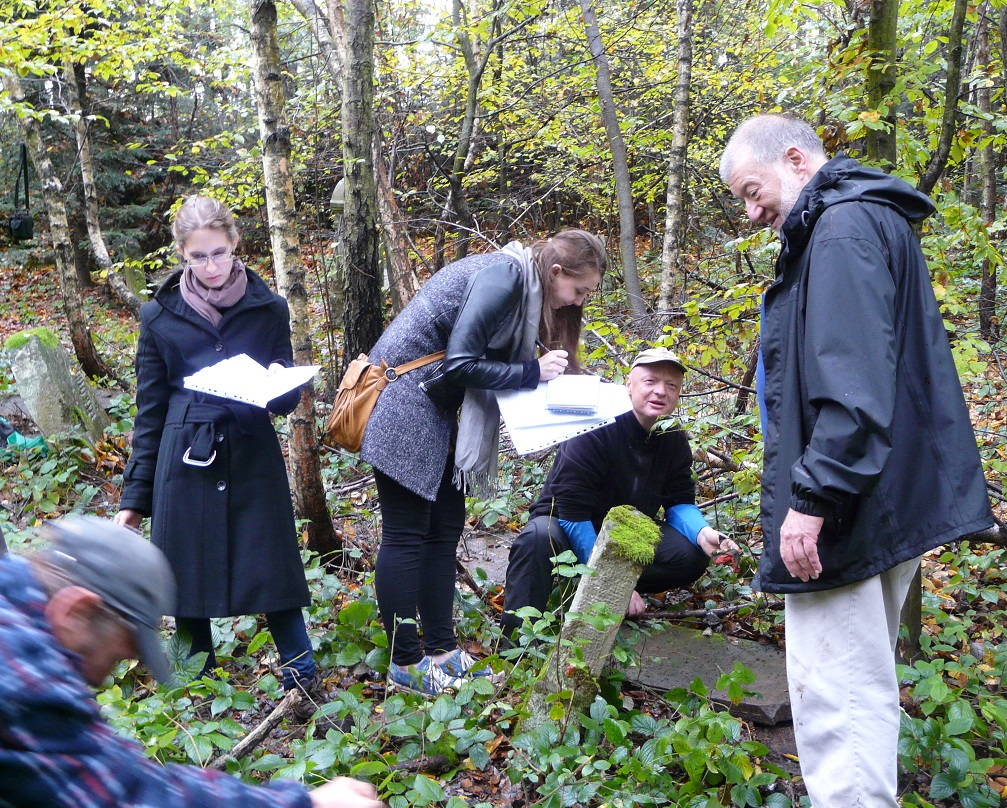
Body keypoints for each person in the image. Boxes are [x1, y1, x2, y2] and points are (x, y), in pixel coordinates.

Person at [719, 114, 993, 806]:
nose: (752, 213)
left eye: (752, 191)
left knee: (836, 695)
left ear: (794, 159)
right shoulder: (869, 218)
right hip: (882, 493)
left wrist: (811, 500)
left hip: (849, 508)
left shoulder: (840, 230)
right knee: (861, 681)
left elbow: (853, 389)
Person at [360, 231, 607, 695]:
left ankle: (442, 652)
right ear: (555, 272)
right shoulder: (505, 277)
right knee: (407, 535)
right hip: (401, 401)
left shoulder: (525, 288)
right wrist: (531, 372)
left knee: (443, 531)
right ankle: (405, 662)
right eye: (579, 290)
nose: (579, 301)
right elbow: (460, 363)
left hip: (434, 408)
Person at [0, 515, 384, 808]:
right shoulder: (25, 685)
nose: (102, 680)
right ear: (77, 612)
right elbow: (129, 794)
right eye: (117, 656)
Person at [115, 196, 319, 712]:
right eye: (198, 257)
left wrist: (278, 383)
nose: (210, 267)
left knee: (272, 567)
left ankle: (303, 681)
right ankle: (196, 693)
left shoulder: (269, 307)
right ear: (182, 254)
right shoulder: (158, 315)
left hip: (251, 450)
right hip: (185, 457)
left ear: (235, 245)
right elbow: (150, 412)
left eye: (219, 253)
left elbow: (284, 397)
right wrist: (134, 499)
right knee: (187, 577)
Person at [500, 348, 738, 638]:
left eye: (671, 385)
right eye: (650, 381)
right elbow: (573, 512)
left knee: (690, 554)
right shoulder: (596, 424)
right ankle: (516, 644)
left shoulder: (672, 438)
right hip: (567, 525)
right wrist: (609, 585)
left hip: (622, 531)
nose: (660, 391)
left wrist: (703, 533)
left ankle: (603, 588)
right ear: (629, 385)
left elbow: (679, 502)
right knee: (537, 539)